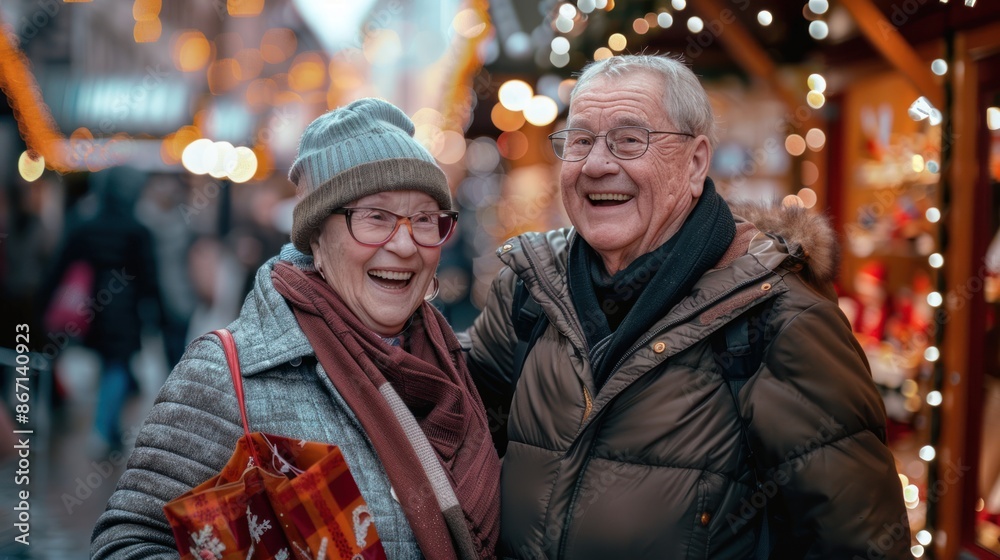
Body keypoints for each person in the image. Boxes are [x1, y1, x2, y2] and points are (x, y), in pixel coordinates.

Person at [463, 55, 911, 559]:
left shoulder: (780, 322)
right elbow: (449, 437)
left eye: (629, 140)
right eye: (581, 140)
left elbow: (859, 546)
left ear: (696, 163)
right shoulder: (527, 293)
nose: (596, 165)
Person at [91, 98, 501, 560]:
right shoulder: (228, 373)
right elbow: (128, 543)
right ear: (317, 238)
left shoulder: (453, 368)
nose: (405, 245)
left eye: (425, 219)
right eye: (376, 217)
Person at [42, 166, 161, 457]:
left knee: (110, 367)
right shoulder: (138, 230)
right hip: (125, 311)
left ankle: (108, 428)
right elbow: (149, 277)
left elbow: (59, 266)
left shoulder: (84, 224)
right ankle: (102, 429)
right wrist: (157, 313)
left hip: (91, 308)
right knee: (117, 367)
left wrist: (44, 304)